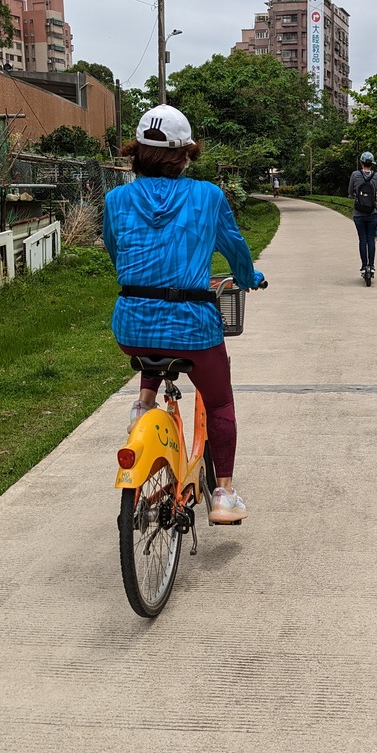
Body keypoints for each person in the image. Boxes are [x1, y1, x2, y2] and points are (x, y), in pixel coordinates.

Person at [102, 104, 265, 524]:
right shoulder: (207, 196)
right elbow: (235, 250)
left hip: (131, 325)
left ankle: (144, 404)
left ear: (135, 152)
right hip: (194, 326)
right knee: (220, 401)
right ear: (186, 154)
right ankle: (224, 494)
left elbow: (117, 252)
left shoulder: (116, 199)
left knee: (155, 331)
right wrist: (248, 276)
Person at [348, 151, 377, 277]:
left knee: (362, 239)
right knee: (371, 239)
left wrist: (358, 196)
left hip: (358, 213)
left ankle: (364, 266)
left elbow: (350, 192)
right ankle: (372, 266)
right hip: (373, 212)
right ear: (372, 164)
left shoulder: (355, 175)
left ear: (361, 162)